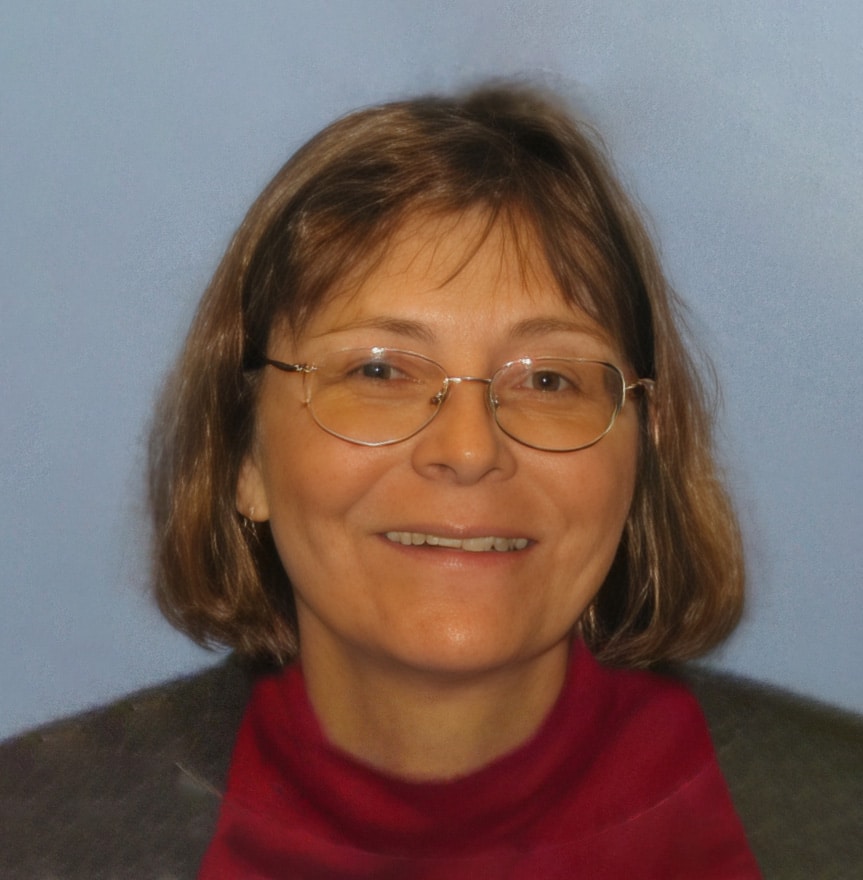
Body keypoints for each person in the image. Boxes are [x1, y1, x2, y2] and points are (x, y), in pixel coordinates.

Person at [148, 83, 761, 878]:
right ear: (244, 458)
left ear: (643, 447)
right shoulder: (38, 829)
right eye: (377, 370)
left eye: (548, 381)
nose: (469, 449)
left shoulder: (831, 822)